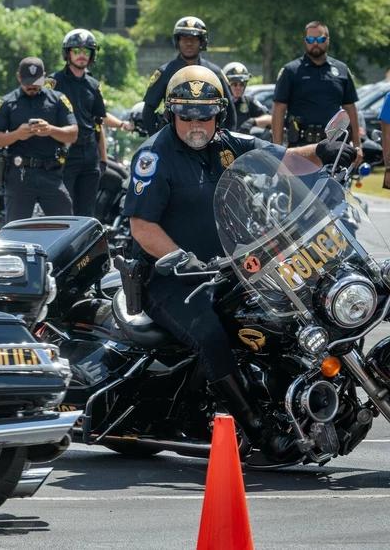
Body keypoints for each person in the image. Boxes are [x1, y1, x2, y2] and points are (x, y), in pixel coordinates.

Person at [122, 65, 354, 461]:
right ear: (171, 114)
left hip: (232, 269)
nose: (196, 123)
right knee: (211, 335)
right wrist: (182, 259)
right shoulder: (154, 156)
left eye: (205, 115)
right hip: (174, 278)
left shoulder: (228, 144)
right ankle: (259, 430)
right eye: (186, 115)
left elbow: (278, 158)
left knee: (293, 310)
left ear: (219, 115)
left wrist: (320, 152)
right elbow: (142, 225)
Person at [0, 57, 78, 222]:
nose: (32, 86)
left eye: (36, 82)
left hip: (50, 172)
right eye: (27, 82)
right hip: (20, 174)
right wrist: (16, 134)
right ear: (18, 78)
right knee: (15, 229)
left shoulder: (57, 99)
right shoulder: (7, 102)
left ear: (44, 77)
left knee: (65, 225)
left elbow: (73, 133)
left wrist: (51, 130)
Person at [272, 21, 362, 163]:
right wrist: (277, 149)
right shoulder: (290, 71)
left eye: (320, 39)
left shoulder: (342, 70)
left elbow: (350, 108)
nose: (315, 43)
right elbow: (279, 109)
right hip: (300, 147)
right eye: (310, 40)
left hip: (334, 146)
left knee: (335, 186)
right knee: (300, 186)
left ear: (327, 40)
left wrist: (357, 145)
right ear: (305, 41)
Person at [142, 16, 236, 136]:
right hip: (174, 141)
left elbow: (230, 111)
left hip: (210, 140)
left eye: (194, 39)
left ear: (202, 42)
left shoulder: (215, 73)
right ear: (177, 41)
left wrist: (227, 141)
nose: (189, 43)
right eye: (184, 39)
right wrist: (157, 140)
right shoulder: (165, 72)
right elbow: (148, 110)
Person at [49, 29, 108, 216]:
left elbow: (98, 122)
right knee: (64, 209)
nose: (82, 55)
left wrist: (103, 158)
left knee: (87, 211)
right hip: (65, 152)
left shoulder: (93, 84)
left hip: (90, 152)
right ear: (67, 53)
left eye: (87, 51)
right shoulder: (53, 82)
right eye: (76, 51)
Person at [222, 62, 271, 132]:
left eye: (242, 84)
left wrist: (253, 121)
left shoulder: (248, 102)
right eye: (234, 84)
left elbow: (270, 119)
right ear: (226, 84)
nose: (238, 87)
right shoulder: (220, 103)